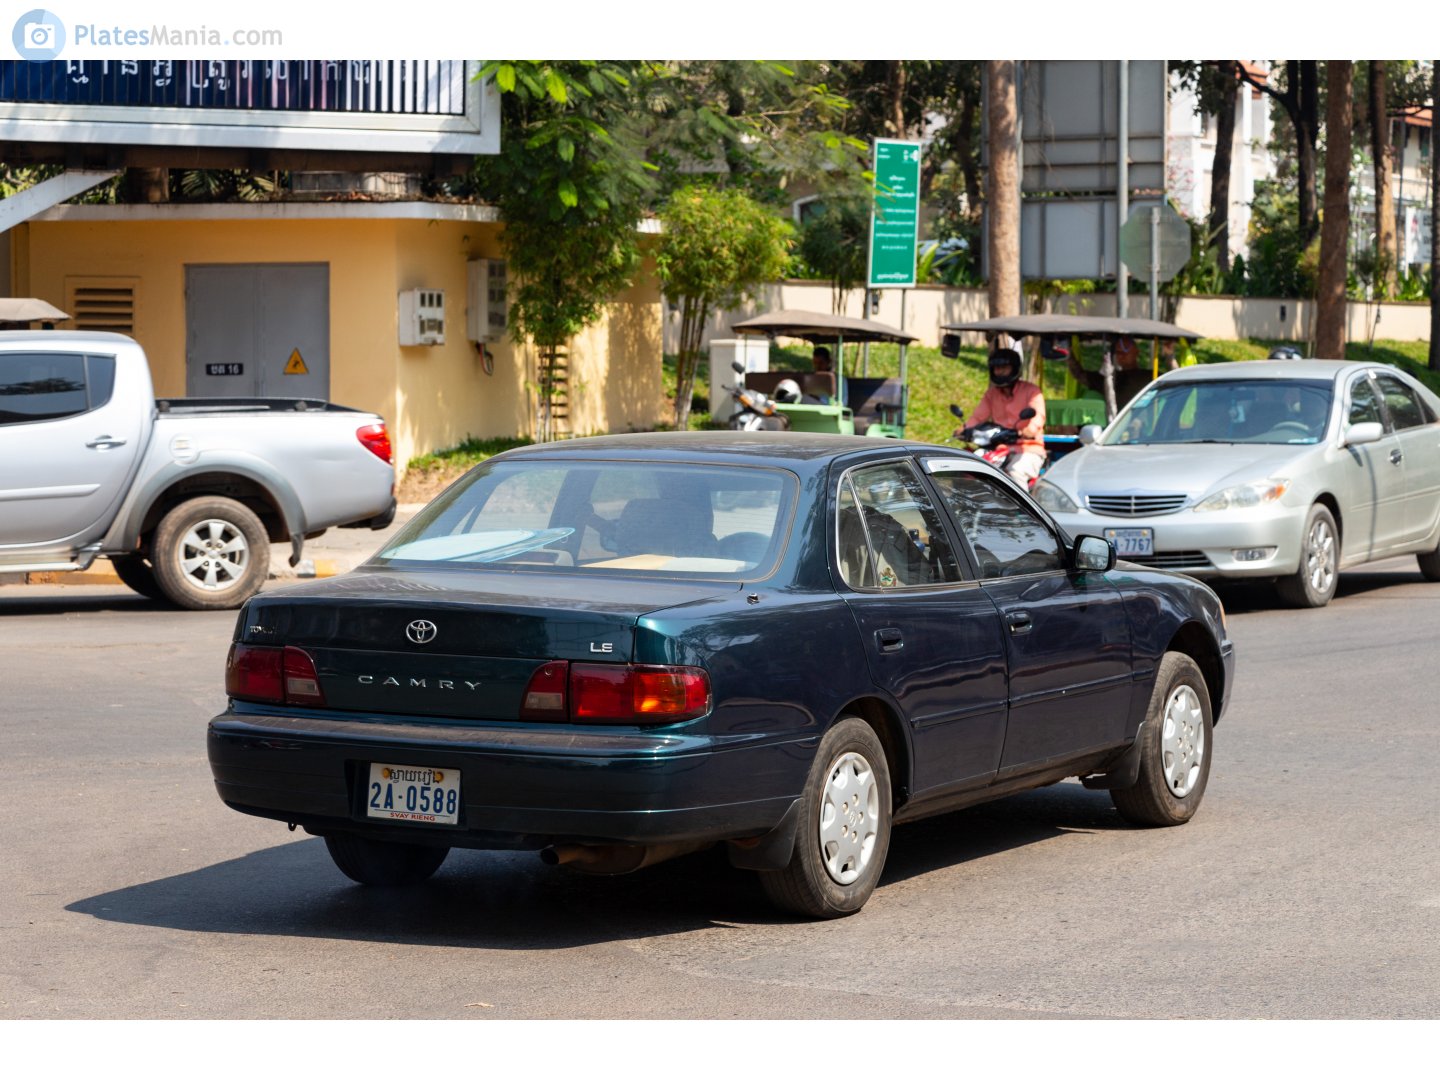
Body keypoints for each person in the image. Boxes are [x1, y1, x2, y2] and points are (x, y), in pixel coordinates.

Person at [959, 347, 1047, 483]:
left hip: (1028, 448)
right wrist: (964, 430)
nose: (999, 372)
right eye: (996, 368)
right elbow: (977, 417)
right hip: (998, 448)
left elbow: (1037, 417)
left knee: (1016, 471)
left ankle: (1022, 505)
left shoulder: (1032, 391)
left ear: (1014, 368)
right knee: (970, 470)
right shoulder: (991, 394)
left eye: (1004, 367)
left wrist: (1028, 430)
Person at [1066, 335, 1153, 408]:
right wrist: (1069, 355)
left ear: (1136, 352)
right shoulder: (1111, 378)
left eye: (1126, 351)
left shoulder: (1149, 376)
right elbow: (1080, 375)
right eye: (1118, 352)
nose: (1121, 356)